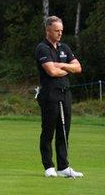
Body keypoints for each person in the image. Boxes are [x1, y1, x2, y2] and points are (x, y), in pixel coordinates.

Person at [35, 16, 83, 178]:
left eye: (61, 31)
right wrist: (66, 68)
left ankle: (63, 166)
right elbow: (51, 72)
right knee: (48, 130)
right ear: (48, 30)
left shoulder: (64, 48)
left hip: (65, 92)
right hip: (49, 94)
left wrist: (61, 65)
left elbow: (78, 68)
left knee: (64, 130)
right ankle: (48, 166)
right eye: (56, 31)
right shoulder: (42, 48)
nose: (60, 33)